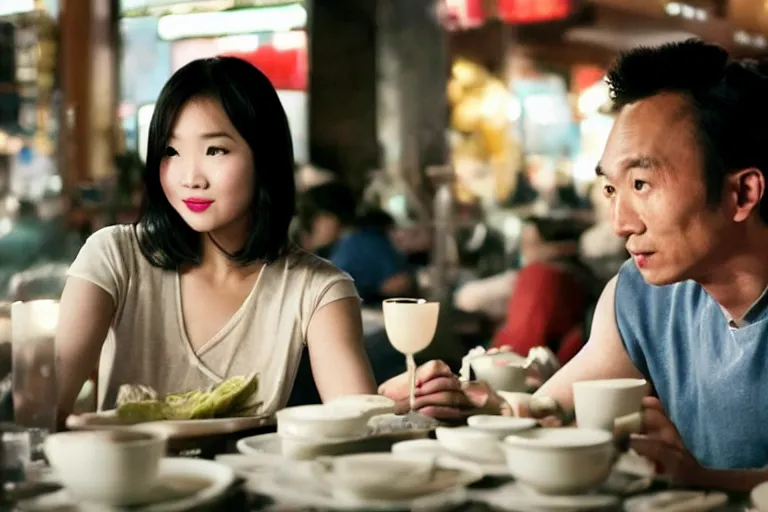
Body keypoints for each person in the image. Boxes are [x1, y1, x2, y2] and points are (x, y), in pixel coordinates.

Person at [55, 57, 498, 425]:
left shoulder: (317, 288)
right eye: (171, 152)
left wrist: (398, 398)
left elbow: (355, 421)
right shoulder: (113, 257)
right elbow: (44, 411)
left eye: (215, 150)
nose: (190, 177)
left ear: (264, 159)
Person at [525, 39, 768, 490]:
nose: (620, 224)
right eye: (612, 190)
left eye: (641, 183)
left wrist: (705, 481)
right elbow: (542, 412)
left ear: (742, 194)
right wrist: (475, 404)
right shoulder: (642, 297)